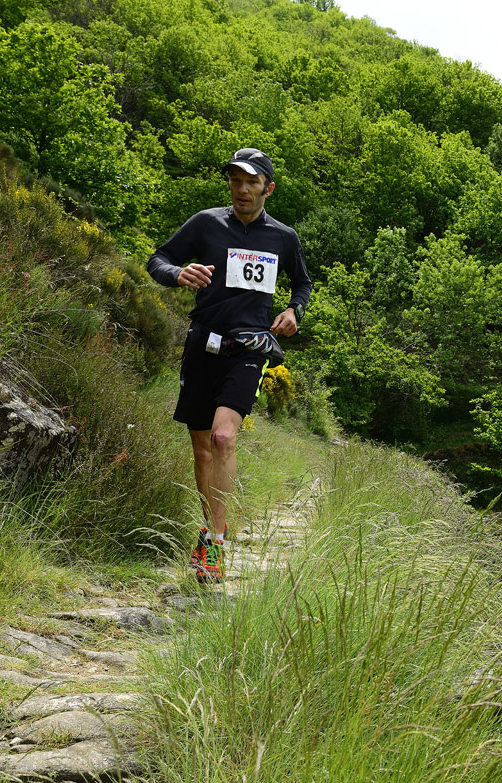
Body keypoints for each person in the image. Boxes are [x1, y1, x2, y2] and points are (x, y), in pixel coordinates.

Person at [147, 148, 312, 583]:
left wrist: (293, 310)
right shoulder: (206, 223)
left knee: (223, 437)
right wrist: (177, 273)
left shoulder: (283, 237)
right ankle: (210, 527)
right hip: (203, 343)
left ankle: (215, 544)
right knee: (202, 448)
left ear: (267, 188)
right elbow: (157, 259)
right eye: (235, 180)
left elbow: (303, 283)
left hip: (249, 349)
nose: (242, 189)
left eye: (251, 182)